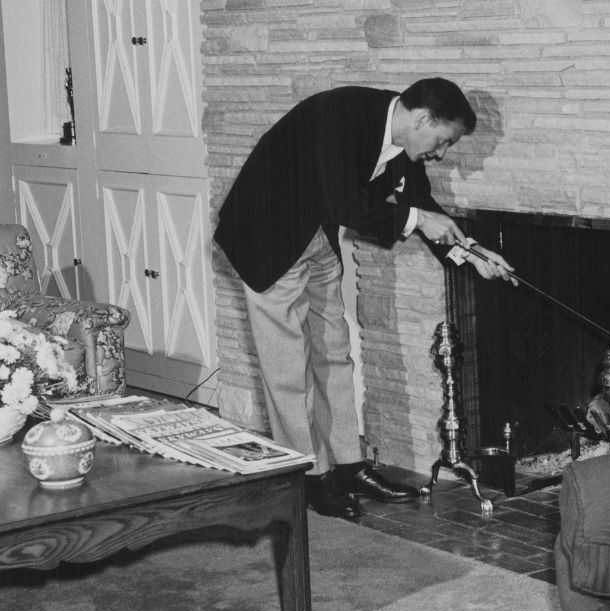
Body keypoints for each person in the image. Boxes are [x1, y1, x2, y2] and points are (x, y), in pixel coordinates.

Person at [214, 78, 515, 520]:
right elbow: (347, 204)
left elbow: (419, 203)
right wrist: (417, 220)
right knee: (288, 368)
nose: (441, 153)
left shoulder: (399, 143)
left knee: (334, 354)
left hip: (314, 237)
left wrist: (471, 253)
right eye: (443, 141)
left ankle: (349, 466)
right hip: (269, 239)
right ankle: (309, 479)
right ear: (422, 119)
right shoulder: (342, 114)